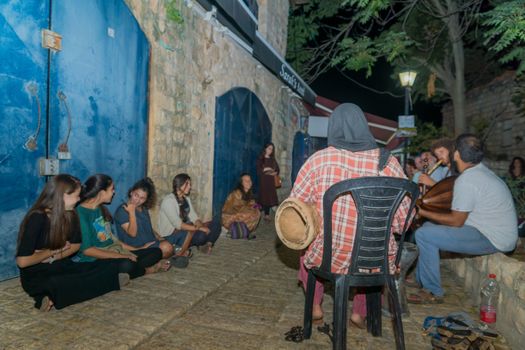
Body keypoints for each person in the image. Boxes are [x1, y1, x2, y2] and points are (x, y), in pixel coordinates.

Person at [290, 103, 412, 328]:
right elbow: (403, 222)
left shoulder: (319, 160)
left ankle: (314, 305)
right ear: (364, 127)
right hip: (376, 260)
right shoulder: (388, 163)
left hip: (327, 256)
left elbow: (296, 207)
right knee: (372, 245)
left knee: (306, 247)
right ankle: (359, 313)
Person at [408, 134, 518, 304]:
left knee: (424, 234)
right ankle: (421, 279)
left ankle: (432, 291)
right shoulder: (480, 171)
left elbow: (456, 221)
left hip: (492, 238)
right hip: (490, 231)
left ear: (456, 154)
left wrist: (421, 211)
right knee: (429, 227)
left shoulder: (467, 180)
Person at [16, 174, 122, 311]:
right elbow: (23, 262)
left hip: (62, 265)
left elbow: (75, 245)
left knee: (109, 265)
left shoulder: (70, 214)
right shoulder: (37, 218)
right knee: (56, 282)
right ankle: (45, 294)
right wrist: (52, 251)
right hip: (37, 272)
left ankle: (52, 295)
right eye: (77, 196)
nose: (79, 199)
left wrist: (54, 256)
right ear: (63, 196)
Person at [75, 174, 167, 279]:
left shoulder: (99, 209)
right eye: (111, 189)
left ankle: (124, 273)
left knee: (156, 252)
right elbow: (87, 250)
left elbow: (112, 239)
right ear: (101, 193)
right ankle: (147, 270)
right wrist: (122, 256)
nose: (114, 192)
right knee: (127, 264)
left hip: (114, 251)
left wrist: (136, 250)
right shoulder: (81, 213)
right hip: (96, 259)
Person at [158, 173, 221, 256]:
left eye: (190, 184)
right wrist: (200, 229)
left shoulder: (186, 199)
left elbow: (194, 217)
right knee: (201, 236)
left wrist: (199, 225)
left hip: (188, 229)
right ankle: (194, 244)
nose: (190, 187)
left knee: (216, 223)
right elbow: (178, 225)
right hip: (174, 234)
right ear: (178, 185)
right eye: (187, 184)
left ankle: (208, 245)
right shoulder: (169, 201)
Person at [114, 178, 174, 259]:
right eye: (136, 195)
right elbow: (132, 233)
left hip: (151, 242)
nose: (138, 200)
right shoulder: (122, 211)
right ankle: (159, 260)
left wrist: (159, 237)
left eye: (142, 198)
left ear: (146, 199)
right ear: (131, 192)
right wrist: (132, 213)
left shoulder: (143, 209)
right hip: (138, 247)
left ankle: (168, 256)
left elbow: (149, 228)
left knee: (173, 239)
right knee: (167, 247)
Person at [221, 173, 261, 239]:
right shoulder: (237, 193)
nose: (249, 182)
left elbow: (251, 203)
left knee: (257, 212)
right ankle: (228, 229)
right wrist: (250, 208)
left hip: (239, 214)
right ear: (241, 183)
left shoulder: (248, 193)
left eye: (249, 180)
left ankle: (244, 230)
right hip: (229, 216)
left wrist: (256, 206)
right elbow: (237, 208)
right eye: (246, 181)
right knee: (250, 213)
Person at [256, 142, 280, 221]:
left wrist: (274, 172)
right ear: (265, 148)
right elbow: (258, 170)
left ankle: (267, 215)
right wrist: (265, 169)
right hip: (263, 180)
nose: (270, 151)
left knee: (269, 198)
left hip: (271, 181)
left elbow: (277, 169)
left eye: (272, 149)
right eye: (269, 148)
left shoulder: (272, 160)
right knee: (263, 197)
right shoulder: (261, 158)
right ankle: (256, 212)